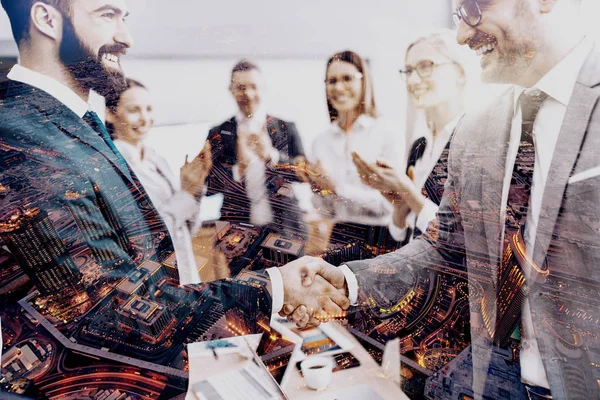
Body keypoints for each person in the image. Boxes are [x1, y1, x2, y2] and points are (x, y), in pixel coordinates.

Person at [0, 1, 347, 397]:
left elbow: (135, 256)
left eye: (124, 18)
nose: (126, 37)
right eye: (106, 15)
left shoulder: (70, 121)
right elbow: (106, 310)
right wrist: (275, 288)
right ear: (47, 18)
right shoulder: (19, 137)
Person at [281, 0, 600, 398]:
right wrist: (349, 281)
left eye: (475, 7)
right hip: (492, 377)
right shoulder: (479, 127)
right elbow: (445, 247)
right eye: (458, 16)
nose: (465, 34)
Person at [353, 31, 472, 244]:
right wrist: (400, 208)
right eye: (408, 71)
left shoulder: (474, 142)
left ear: (459, 73)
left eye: (426, 66)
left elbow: (462, 239)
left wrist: (409, 193)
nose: (413, 80)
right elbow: (403, 236)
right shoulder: (420, 146)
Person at [106, 78, 213, 284]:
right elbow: (147, 236)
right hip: (156, 279)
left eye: (148, 109)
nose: (145, 118)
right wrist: (186, 193)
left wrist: (195, 187)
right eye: (134, 110)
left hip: (186, 272)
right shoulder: (113, 170)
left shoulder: (157, 160)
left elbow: (184, 230)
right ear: (109, 113)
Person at [298, 50, 404, 228]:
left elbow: (389, 205)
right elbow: (326, 211)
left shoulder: (387, 133)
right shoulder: (320, 142)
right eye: (332, 81)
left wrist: (336, 188)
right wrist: (316, 186)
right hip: (337, 239)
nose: (338, 88)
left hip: (380, 240)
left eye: (347, 78)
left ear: (364, 81)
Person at [206, 60, 306, 236]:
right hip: (236, 235)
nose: (249, 94)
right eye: (241, 87)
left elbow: (304, 175)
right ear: (231, 90)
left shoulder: (287, 128)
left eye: (254, 86)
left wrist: (271, 156)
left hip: (287, 230)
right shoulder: (218, 133)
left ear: (263, 87)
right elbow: (208, 188)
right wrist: (239, 170)